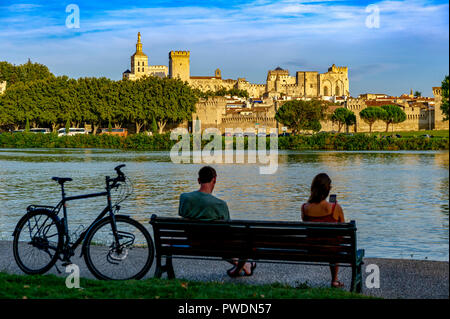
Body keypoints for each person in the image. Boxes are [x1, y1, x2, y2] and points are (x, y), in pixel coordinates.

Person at [179, 166, 256, 277]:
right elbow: (228, 229)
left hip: (191, 242)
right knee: (223, 241)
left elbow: (183, 215)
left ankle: (244, 267)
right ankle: (244, 266)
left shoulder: (184, 198)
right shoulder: (220, 204)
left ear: (198, 180)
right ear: (214, 180)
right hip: (216, 246)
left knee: (218, 241)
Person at [301, 173, 345, 288]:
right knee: (334, 241)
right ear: (328, 189)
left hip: (312, 249)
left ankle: (334, 280)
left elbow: (307, 227)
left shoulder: (305, 208)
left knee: (330, 241)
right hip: (331, 250)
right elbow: (343, 230)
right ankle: (334, 280)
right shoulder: (336, 208)